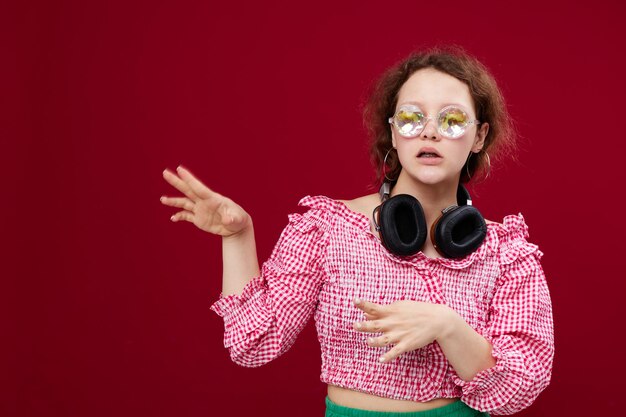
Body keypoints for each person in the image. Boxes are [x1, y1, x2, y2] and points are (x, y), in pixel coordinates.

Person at [160, 47, 554, 416]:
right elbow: (253, 344)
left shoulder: (506, 253)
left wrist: (446, 325)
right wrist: (237, 236)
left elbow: (517, 389)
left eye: (451, 120)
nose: (430, 132)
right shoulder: (328, 228)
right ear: (394, 133)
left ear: (479, 136)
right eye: (412, 118)